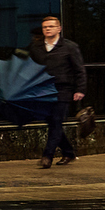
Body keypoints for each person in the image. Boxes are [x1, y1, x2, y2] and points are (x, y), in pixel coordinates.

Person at [28, 15, 86, 167]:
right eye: (45, 27)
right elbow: (31, 68)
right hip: (43, 90)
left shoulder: (69, 47)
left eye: (51, 26)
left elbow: (79, 69)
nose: (47, 29)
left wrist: (80, 89)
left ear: (59, 28)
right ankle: (68, 152)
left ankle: (47, 156)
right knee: (53, 123)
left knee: (56, 122)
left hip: (63, 89)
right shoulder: (36, 47)